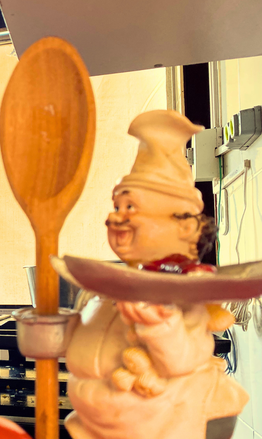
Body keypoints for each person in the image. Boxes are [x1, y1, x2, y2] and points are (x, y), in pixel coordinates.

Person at [59, 110, 247, 439]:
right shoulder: (107, 290)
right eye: (117, 207)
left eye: (132, 208)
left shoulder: (180, 296)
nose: (116, 219)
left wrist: (161, 325)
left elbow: (184, 358)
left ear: (185, 226)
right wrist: (58, 333)